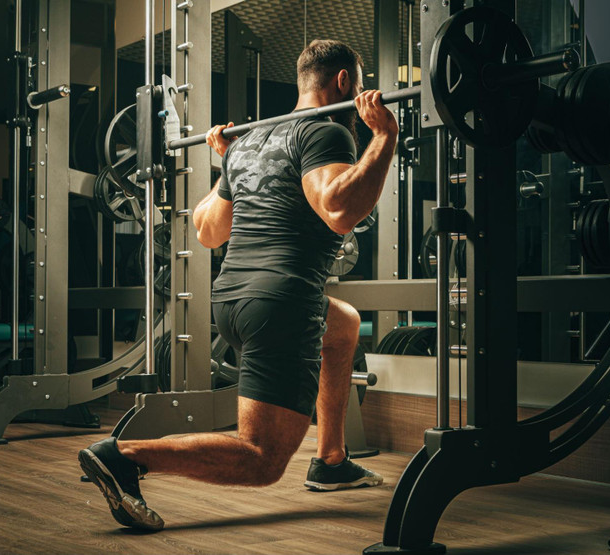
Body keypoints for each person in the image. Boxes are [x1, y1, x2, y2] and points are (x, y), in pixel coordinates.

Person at [79, 39, 399, 531]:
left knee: (343, 325)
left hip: (230, 299)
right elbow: (338, 211)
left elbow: (209, 232)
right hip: (280, 303)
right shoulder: (327, 132)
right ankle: (123, 457)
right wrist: (384, 136)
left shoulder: (253, 140)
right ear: (343, 83)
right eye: (356, 84)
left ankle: (331, 460)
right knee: (261, 457)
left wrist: (227, 162)